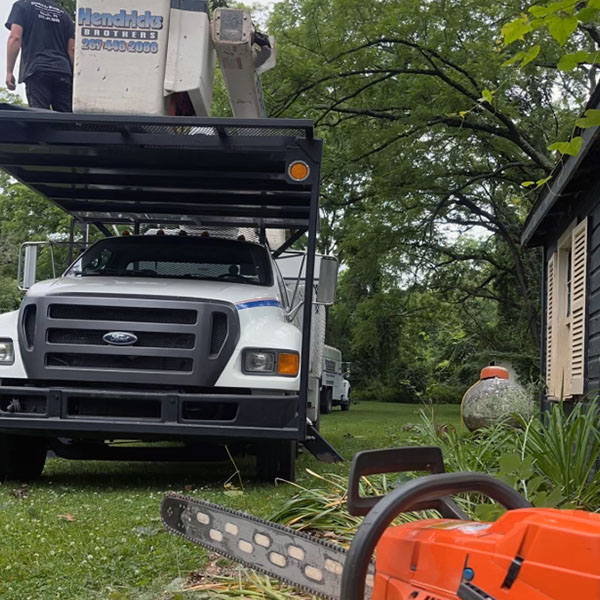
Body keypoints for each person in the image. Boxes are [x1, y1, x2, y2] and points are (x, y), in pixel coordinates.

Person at [5, 0, 75, 111]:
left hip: (37, 69)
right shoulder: (63, 14)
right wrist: (74, 76)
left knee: (40, 118)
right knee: (65, 120)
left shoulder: (22, 6)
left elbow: (15, 38)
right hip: (63, 71)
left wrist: (9, 72)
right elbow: (71, 49)